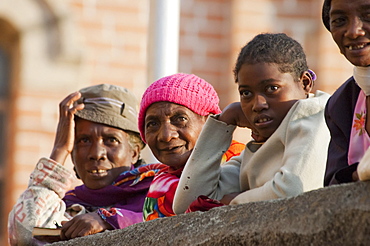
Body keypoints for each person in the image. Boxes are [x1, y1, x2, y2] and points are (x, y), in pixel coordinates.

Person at [173, 33, 331, 214]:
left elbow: (292, 191)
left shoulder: (316, 115)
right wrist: (223, 123)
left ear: (305, 83)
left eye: (272, 89)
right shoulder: (258, 148)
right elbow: (188, 204)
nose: (258, 104)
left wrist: (233, 201)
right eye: (246, 93)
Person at [8, 84, 165, 245]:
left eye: (111, 140)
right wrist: (60, 149)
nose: (96, 153)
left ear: (134, 152)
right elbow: (23, 234)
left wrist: (109, 219)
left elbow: (173, 222)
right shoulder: (69, 210)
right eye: (84, 140)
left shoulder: (161, 193)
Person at [137, 73, 245, 220]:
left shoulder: (243, 165)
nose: (166, 136)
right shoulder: (160, 186)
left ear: (209, 122)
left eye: (180, 119)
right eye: (153, 124)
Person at [321, 0, 370, 185]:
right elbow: (333, 185)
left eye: (368, 15)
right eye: (340, 20)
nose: (353, 31)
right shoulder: (340, 103)